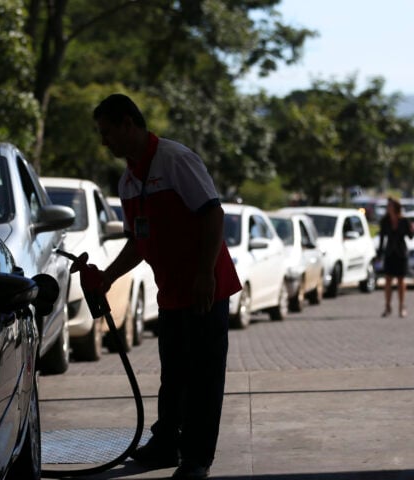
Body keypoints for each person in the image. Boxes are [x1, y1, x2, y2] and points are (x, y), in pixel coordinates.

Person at [91, 93, 242, 479]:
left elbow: (212, 213)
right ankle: (166, 444)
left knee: (204, 375)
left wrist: (206, 272)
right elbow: (138, 243)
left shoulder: (175, 160)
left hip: (205, 287)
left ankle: (197, 458)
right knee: (174, 372)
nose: (104, 141)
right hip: (171, 291)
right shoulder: (128, 182)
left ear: (128, 123)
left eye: (107, 132)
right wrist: (107, 276)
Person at [377, 197, 414, 318]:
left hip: (401, 253)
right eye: (388, 206)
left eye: (390, 205)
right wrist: (379, 254)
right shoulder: (385, 221)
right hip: (389, 252)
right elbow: (382, 238)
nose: (388, 208)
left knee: (400, 280)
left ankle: (402, 306)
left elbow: (410, 237)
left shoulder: (404, 221)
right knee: (388, 280)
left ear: (396, 207)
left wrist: (413, 229)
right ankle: (387, 306)